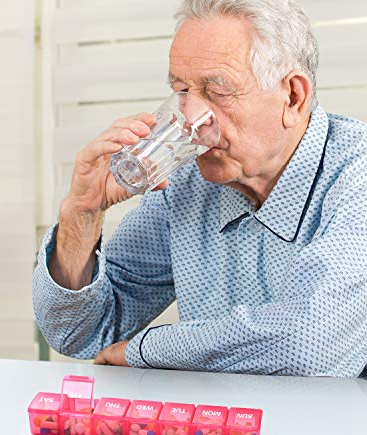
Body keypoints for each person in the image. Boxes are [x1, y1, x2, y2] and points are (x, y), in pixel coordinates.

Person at [33, 0, 367, 376]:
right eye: (182, 91)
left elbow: (311, 342)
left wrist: (146, 351)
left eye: (217, 91)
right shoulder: (188, 186)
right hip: (217, 432)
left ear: (293, 96)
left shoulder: (357, 177)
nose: (191, 118)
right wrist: (83, 212)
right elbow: (79, 333)